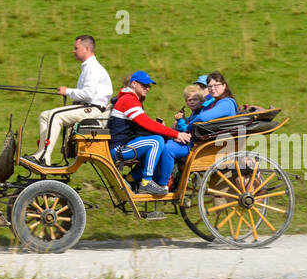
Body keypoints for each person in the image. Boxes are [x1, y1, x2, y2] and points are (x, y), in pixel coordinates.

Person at [30, 35, 113, 167]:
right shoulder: (88, 67)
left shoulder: (92, 68)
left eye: (76, 48)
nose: (73, 51)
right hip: (88, 107)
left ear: (87, 48)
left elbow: (88, 94)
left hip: (93, 109)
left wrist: (67, 91)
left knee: (54, 116)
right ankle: (41, 154)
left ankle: (43, 157)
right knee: (44, 116)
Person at [108, 71, 191, 196]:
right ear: (134, 84)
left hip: (125, 144)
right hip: (118, 149)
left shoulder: (132, 99)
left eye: (149, 86)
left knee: (159, 148)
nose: (147, 88)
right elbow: (146, 123)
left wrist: (167, 133)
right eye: (144, 85)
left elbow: (143, 125)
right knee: (156, 141)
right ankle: (146, 183)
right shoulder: (128, 100)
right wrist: (176, 134)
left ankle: (131, 179)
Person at [158, 71, 239, 190]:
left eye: (216, 85)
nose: (212, 89)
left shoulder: (226, 103)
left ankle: (163, 185)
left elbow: (202, 118)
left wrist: (188, 128)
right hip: (204, 139)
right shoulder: (217, 102)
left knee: (168, 149)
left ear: (224, 86)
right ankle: (166, 180)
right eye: (210, 86)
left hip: (207, 143)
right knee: (166, 143)